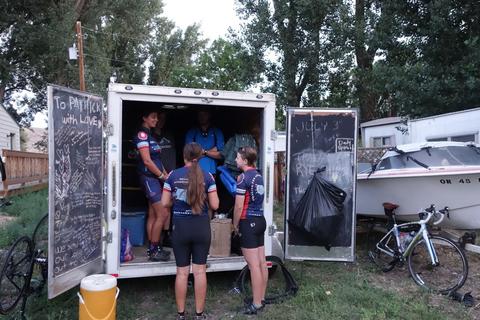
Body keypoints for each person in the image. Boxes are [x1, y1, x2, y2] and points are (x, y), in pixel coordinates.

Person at [161, 142, 219, 320]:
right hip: (201, 227)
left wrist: (176, 201)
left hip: (181, 227)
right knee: (200, 271)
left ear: (184, 156)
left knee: (182, 272)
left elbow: (164, 203)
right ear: (200, 157)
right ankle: (199, 314)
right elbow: (215, 205)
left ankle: (180, 314)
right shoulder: (208, 176)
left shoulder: (172, 176)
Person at [233, 147, 267, 315]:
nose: (235, 160)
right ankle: (261, 298)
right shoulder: (259, 175)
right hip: (260, 220)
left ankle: (256, 304)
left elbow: (239, 206)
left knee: (254, 265)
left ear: (245, 161)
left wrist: (235, 224)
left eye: (237, 158)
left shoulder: (242, 178)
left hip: (248, 222)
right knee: (261, 262)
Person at [133, 109, 171, 262]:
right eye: (153, 117)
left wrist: (166, 175)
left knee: (154, 214)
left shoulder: (150, 136)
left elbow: (156, 160)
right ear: (145, 118)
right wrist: (161, 176)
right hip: (149, 179)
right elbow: (147, 161)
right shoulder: (141, 136)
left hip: (155, 179)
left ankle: (153, 247)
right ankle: (154, 250)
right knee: (163, 214)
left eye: (157, 118)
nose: (156, 120)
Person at [153, 110, 176, 247]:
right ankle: (156, 239)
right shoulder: (150, 136)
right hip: (156, 176)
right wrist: (162, 174)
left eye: (163, 118)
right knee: (157, 210)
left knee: (168, 205)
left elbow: (173, 154)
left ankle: (166, 235)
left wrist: (171, 174)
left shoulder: (169, 135)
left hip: (169, 176)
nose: (161, 120)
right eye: (158, 117)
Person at [185, 109, 224, 176]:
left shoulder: (216, 131)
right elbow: (189, 154)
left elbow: (221, 155)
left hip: (212, 172)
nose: (202, 117)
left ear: (209, 115)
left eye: (205, 114)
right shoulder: (192, 131)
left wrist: (203, 152)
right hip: (194, 172)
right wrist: (212, 151)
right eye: (200, 114)